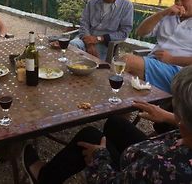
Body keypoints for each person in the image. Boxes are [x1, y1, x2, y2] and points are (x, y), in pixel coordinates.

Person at [22, 66, 192, 183]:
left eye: (175, 108)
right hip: (154, 150)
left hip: (142, 165)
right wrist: (169, 117)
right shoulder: (184, 130)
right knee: (115, 123)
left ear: (184, 122)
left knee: (90, 135)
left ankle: (44, 177)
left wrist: (100, 157)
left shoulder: (163, 169)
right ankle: (115, 153)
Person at [124, 0, 192, 93]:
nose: (178, 4)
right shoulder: (168, 15)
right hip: (153, 62)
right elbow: (141, 32)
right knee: (126, 77)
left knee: (126, 61)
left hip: (180, 72)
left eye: (184, 0)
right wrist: (162, 13)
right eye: (176, 0)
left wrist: (172, 59)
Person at [69, 0, 133, 60]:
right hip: (86, 39)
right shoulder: (92, 2)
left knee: (93, 62)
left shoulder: (126, 6)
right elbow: (84, 24)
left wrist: (99, 38)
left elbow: (124, 32)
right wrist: (89, 44)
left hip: (106, 44)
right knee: (72, 46)